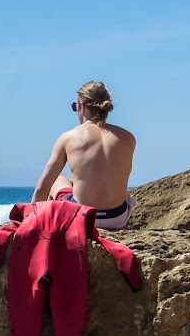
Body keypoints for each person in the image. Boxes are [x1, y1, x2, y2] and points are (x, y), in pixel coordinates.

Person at [31, 81, 136, 230]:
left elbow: (43, 186)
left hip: (81, 218)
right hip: (116, 218)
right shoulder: (128, 138)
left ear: (82, 106)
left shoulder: (68, 137)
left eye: (75, 107)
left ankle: (45, 228)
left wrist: (27, 220)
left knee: (59, 180)